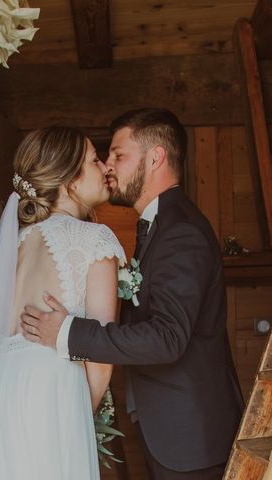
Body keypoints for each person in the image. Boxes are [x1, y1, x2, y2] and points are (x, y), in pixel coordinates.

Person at [21, 109, 245, 480]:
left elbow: (167, 338)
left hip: (191, 436)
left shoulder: (180, 232)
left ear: (155, 157)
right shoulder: (161, 227)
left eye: (118, 156)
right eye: (105, 157)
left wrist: (68, 332)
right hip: (172, 431)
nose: (109, 166)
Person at [0, 126, 126, 479]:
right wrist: (80, 417)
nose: (105, 167)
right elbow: (102, 354)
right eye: (93, 160)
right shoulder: (95, 238)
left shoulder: (15, 243)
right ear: (70, 180)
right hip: (53, 388)